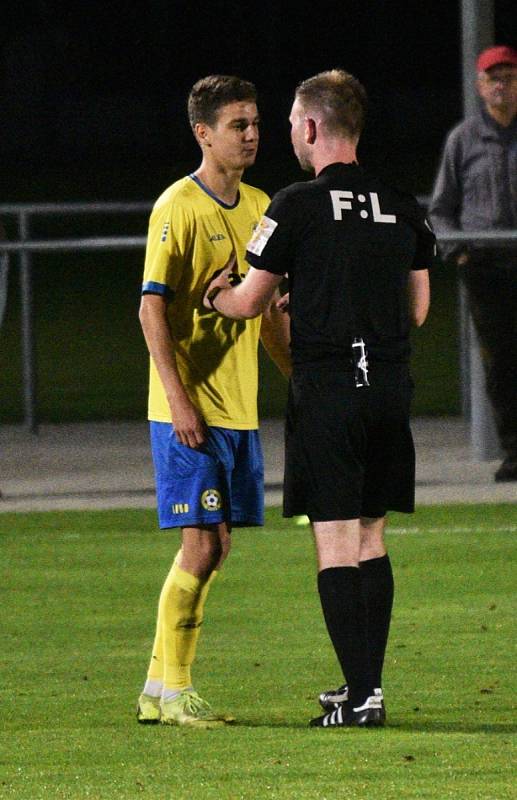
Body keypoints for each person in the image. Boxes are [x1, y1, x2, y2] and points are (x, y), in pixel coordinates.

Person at [203, 69, 434, 728]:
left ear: (309, 127)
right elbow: (414, 308)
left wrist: (212, 294)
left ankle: (361, 698)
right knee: (371, 538)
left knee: (334, 543)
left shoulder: (295, 203)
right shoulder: (400, 202)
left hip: (330, 389)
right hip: (389, 388)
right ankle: (365, 685)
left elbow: (248, 302)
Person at [137, 74, 290, 728]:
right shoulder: (178, 206)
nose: (251, 135)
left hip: (238, 408)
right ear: (203, 133)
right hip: (189, 410)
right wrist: (179, 402)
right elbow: (150, 309)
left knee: (218, 547)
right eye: (237, 125)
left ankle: (155, 688)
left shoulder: (260, 205)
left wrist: (299, 380)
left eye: (255, 123)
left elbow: (267, 313)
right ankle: (175, 694)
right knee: (201, 546)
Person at [429, 44, 517, 482]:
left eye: (508, 76)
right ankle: (514, 451)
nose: (501, 84)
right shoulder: (463, 139)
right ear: (481, 86)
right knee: (500, 364)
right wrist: (457, 251)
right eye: (493, 78)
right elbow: (442, 207)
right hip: (485, 267)